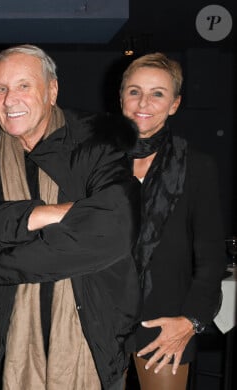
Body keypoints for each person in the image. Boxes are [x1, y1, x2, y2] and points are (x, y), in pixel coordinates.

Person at [0, 44, 141, 390]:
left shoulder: (95, 142)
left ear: (52, 90)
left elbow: (114, 228)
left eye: (23, 85)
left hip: (92, 342)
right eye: (1, 88)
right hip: (10, 338)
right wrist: (38, 215)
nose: (10, 99)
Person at [119, 52, 226, 389]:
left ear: (175, 104)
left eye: (158, 93)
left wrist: (191, 321)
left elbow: (211, 257)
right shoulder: (97, 162)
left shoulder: (196, 166)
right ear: (121, 97)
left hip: (164, 323)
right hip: (99, 318)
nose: (143, 102)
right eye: (134, 91)